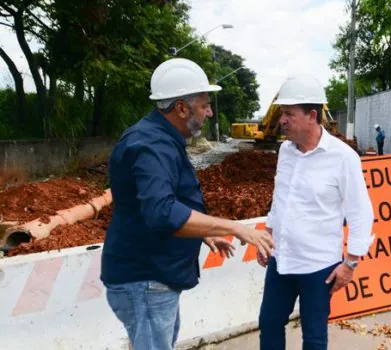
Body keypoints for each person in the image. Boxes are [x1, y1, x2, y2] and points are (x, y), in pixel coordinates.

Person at [100, 58, 274, 350]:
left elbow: (159, 204)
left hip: (151, 279)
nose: (209, 112)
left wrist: (203, 231)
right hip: (146, 280)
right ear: (181, 108)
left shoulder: (159, 139)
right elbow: (163, 212)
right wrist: (235, 227)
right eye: (204, 104)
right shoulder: (151, 146)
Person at [257, 75, 375, 350]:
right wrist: (268, 235)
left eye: (288, 113)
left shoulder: (343, 158)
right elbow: (280, 199)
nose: (281, 120)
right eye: (281, 113)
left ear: (312, 115)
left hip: (318, 267)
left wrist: (350, 264)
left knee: (313, 337)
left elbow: (360, 214)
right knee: (270, 323)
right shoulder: (285, 151)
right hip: (281, 260)